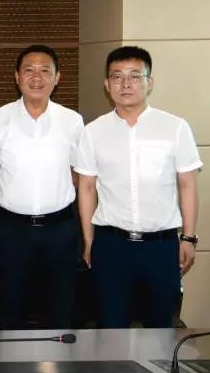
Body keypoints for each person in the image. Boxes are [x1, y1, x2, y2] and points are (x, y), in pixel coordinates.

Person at [74, 46, 201, 328]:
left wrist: (189, 238)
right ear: (107, 85)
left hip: (161, 246)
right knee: (110, 326)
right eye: (117, 77)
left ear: (149, 82)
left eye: (134, 76)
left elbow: (188, 185)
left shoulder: (175, 127)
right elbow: (87, 188)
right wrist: (89, 240)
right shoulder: (93, 132)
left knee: (161, 329)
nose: (126, 84)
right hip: (111, 245)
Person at [0, 45, 83, 330]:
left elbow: (79, 175)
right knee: (11, 308)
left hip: (60, 229)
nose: (37, 77)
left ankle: (59, 360)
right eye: (29, 70)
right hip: (11, 230)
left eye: (45, 71)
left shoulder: (72, 121)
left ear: (57, 78)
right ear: (17, 77)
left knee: (60, 310)